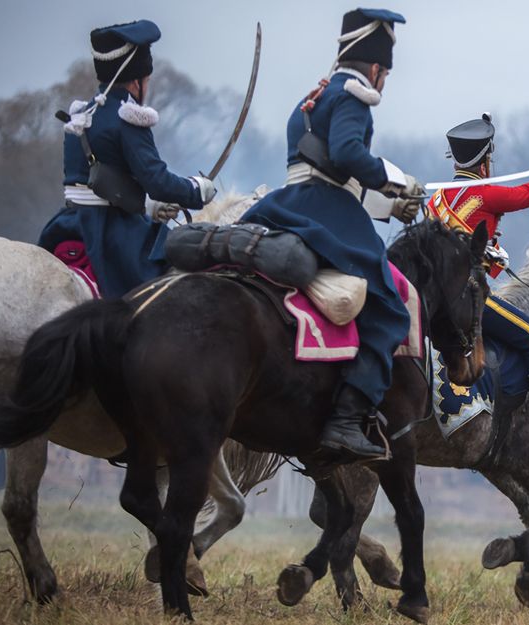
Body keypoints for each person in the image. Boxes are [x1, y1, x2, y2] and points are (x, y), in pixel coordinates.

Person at [240, 8, 421, 459]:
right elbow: (346, 152)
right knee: (389, 308)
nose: (384, 82)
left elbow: (324, 162)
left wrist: (381, 196)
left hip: (288, 201)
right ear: (376, 69)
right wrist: (393, 181)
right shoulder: (355, 97)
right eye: (385, 74)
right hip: (327, 211)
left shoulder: (316, 95)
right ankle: (346, 417)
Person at [426, 114, 529, 450]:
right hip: (467, 297)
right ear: (484, 161)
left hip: (435, 297)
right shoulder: (483, 193)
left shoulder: (438, 201)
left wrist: (489, 255)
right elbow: (522, 195)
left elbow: (454, 248)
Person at [38, 20, 216, 298]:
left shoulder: (80, 117)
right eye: (147, 80)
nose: (146, 86)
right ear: (136, 81)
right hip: (112, 233)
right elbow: (157, 181)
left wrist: (148, 204)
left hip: (68, 223)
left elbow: (91, 186)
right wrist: (197, 189)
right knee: (185, 287)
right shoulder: (129, 119)